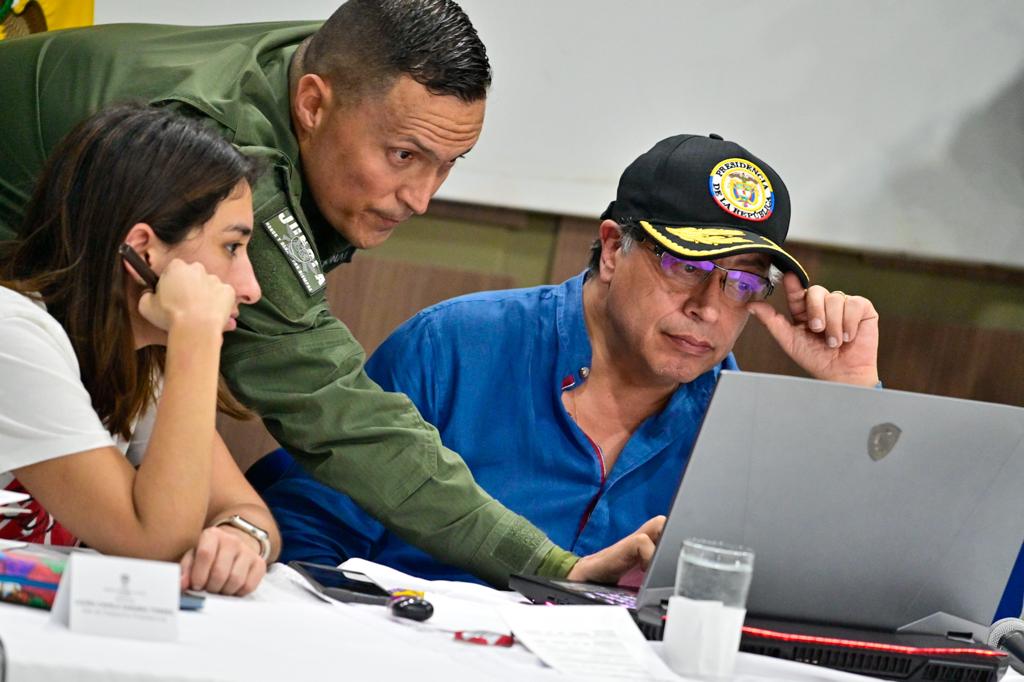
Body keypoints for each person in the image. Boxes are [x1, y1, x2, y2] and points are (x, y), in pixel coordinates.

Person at [0, 0, 656, 586]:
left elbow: (231, 505)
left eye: (448, 165)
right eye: (404, 156)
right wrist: (549, 568)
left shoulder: (351, 72)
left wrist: (245, 531)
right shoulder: (213, 158)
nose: (424, 199)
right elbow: (337, 413)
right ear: (312, 105)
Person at [257, 133, 882, 582]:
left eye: (743, 284)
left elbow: (854, 592)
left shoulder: (739, 426)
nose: (711, 309)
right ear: (612, 250)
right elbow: (307, 537)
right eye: (687, 267)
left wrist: (855, 398)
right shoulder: (454, 345)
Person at [0, 103, 281, 596]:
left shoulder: (132, 355)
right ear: (144, 249)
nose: (251, 287)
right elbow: (153, 541)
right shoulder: (13, 335)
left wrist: (240, 537)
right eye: (232, 247)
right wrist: (196, 334)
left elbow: (245, 508)